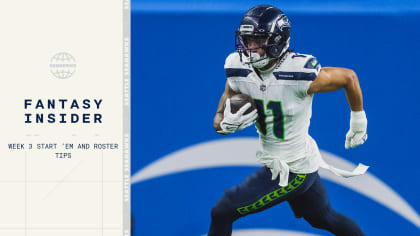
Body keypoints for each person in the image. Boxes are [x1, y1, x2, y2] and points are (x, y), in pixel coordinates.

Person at [209, 4, 369, 236]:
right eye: (246, 40)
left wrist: (358, 122)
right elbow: (219, 115)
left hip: (292, 168)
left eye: (258, 40)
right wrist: (225, 124)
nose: (250, 47)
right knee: (323, 218)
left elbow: (348, 77)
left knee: (222, 211)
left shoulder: (298, 73)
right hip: (301, 160)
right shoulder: (237, 67)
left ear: (277, 40)